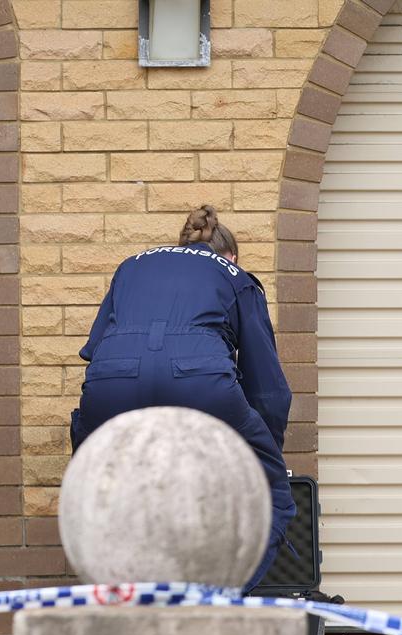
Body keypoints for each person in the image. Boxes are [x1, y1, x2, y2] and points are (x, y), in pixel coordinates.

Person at [70, 205, 296, 594]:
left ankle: (127, 595)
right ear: (232, 256)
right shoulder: (235, 276)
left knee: (102, 485)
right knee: (274, 497)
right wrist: (263, 454)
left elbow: (96, 348)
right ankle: (212, 602)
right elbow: (268, 387)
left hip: (113, 380)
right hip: (200, 380)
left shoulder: (131, 267)